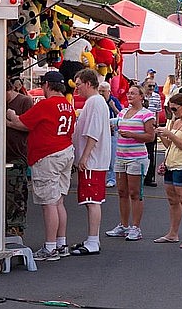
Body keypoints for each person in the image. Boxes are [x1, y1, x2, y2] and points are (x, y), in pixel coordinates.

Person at [6, 70, 75, 261]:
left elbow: (22, 122)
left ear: (47, 85)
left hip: (48, 155)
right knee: (59, 200)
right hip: (65, 151)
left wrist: (10, 115)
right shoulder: (67, 105)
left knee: (48, 203)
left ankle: (50, 247)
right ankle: (61, 243)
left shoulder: (46, 104)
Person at [104, 84, 156, 241]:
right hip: (121, 156)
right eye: (128, 93)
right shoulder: (123, 112)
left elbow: (150, 137)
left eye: (133, 93)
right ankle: (123, 225)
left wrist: (132, 134)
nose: (130, 95)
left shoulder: (147, 115)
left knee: (135, 193)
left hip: (136, 158)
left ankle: (136, 227)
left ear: (141, 96)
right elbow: (112, 124)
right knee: (122, 192)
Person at [70, 69, 112, 255]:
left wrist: (84, 156)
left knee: (93, 200)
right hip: (93, 160)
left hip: (92, 161)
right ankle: (91, 238)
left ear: (88, 83)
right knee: (91, 200)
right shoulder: (95, 102)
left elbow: (93, 132)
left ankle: (93, 240)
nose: (77, 88)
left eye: (78, 84)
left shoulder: (95, 102)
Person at [154, 93, 182, 249]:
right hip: (172, 164)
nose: (172, 112)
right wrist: (162, 135)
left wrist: (170, 134)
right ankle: (173, 233)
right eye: (170, 109)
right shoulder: (175, 121)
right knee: (172, 200)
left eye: (174, 109)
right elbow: (170, 145)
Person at [5, 79, 33, 237]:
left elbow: (29, 126)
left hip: (17, 156)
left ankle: (17, 228)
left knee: (16, 194)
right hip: (1, 156)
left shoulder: (24, 101)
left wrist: (9, 122)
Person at [98, 81, 122, 188]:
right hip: (100, 133)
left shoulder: (114, 101)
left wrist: (113, 107)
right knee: (100, 157)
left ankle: (111, 178)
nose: (102, 93)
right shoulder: (97, 101)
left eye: (104, 91)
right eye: (100, 91)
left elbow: (121, 116)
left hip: (112, 133)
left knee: (112, 158)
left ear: (109, 92)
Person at [143, 78, 162, 187]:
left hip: (151, 127)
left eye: (153, 86)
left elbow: (158, 112)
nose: (151, 88)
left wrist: (157, 125)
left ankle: (149, 177)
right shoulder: (141, 96)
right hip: (141, 127)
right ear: (145, 85)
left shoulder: (156, 97)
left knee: (150, 153)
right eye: (149, 86)